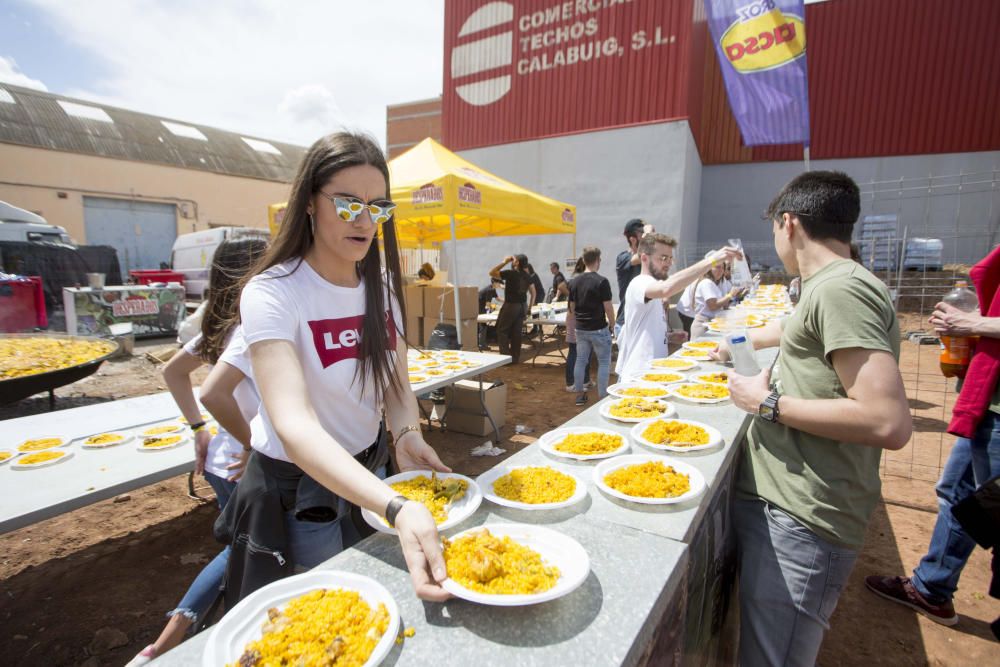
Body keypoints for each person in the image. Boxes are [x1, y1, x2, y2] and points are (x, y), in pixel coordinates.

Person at [218, 132, 451, 606]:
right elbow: (294, 423)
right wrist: (394, 505)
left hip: (371, 468)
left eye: (379, 208)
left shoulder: (381, 285)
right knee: (324, 611)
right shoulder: (273, 292)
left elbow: (396, 385)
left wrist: (406, 434)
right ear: (308, 203)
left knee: (379, 596)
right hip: (300, 490)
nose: (365, 221)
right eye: (347, 205)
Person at [715, 171, 912, 665]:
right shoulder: (830, 284)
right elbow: (797, 327)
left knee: (772, 657)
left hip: (804, 518)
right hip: (791, 506)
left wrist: (768, 404)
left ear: (789, 223)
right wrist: (739, 342)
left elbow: (887, 421)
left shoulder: (841, 289)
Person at [128, 238, 267, 666]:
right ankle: (165, 644)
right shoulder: (249, 327)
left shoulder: (218, 326)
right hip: (243, 463)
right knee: (242, 550)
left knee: (243, 547)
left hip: (220, 461)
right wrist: (250, 443)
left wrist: (198, 431)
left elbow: (173, 373)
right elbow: (211, 393)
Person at [866, 245, 1000, 626]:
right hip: (987, 405)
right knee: (958, 495)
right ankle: (932, 588)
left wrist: (975, 324)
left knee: (993, 511)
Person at [615, 234, 740, 379]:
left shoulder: (652, 286)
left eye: (670, 258)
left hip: (651, 373)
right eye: (663, 258)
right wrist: (711, 261)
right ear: (644, 258)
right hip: (637, 377)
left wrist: (668, 336)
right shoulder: (640, 282)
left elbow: (644, 329)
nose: (668, 263)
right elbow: (666, 288)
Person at [568, 246, 615, 405]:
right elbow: (608, 306)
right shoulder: (602, 281)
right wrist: (613, 324)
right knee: (603, 362)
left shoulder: (574, 282)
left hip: (581, 328)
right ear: (597, 260)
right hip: (599, 328)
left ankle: (580, 395)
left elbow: (572, 308)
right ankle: (602, 398)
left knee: (581, 360)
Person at [489, 254, 535, 363]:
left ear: (517, 262)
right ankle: (515, 358)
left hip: (511, 305)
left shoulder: (511, 273)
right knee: (516, 332)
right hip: (522, 305)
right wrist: (529, 308)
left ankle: (505, 358)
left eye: (513, 260)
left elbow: (491, 273)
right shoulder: (527, 276)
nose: (511, 261)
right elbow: (533, 292)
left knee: (502, 330)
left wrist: (504, 262)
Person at [686, 256, 746, 339]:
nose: (721, 270)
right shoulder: (706, 283)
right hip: (703, 326)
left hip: (711, 323)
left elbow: (722, 305)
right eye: (717, 267)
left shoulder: (714, 283)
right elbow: (713, 306)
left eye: (722, 268)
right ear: (709, 268)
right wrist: (730, 295)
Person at [615, 218, 654, 338]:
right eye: (641, 235)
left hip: (645, 322)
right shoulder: (623, 258)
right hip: (626, 323)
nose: (645, 238)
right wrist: (648, 234)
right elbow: (640, 256)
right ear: (632, 239)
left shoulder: (648, 259)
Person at [562, 257, 591, 391]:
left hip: (580, 316)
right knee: (574, 350)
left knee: (586, 350)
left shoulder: (582, 278)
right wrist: (574, 296)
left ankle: (585, 380)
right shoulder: (577, 279)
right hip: (575, 317)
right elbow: (561, 286)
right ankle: (570, 383)